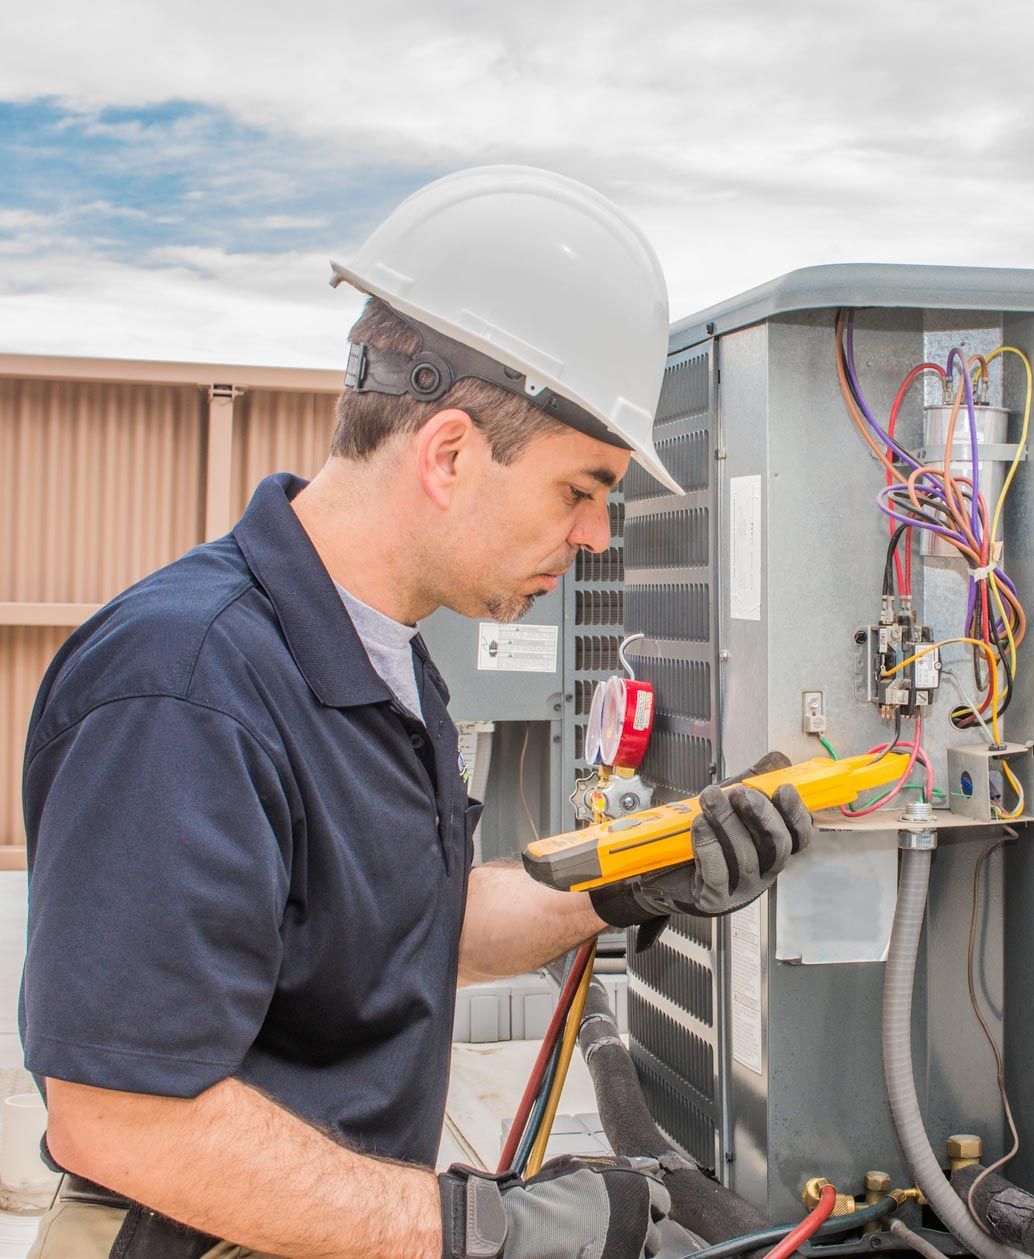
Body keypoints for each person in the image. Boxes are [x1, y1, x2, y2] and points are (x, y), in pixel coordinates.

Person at [19, 167, 811, 1259]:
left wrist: (639, 877)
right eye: (580, 490)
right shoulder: (185, 685)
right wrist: (486, 1228)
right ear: (447, 454)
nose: (595, 536)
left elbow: (411, 933)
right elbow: (120, 1115)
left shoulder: (381, 659)